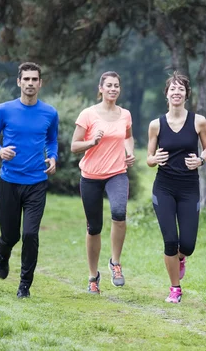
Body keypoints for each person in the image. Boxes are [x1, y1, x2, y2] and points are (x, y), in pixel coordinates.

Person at [0, 62, 59, 299]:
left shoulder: (50, 113)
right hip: (10, 182)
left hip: (36, 182)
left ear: (40, 83)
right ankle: (3, 254)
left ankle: (24, 285)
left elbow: (52, 140)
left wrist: (53, 157)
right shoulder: (4, 110)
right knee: (10, 236)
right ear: (19, 82)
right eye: (26, 79)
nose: (30, 83)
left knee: (30, 235)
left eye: (34, 79)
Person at [147, 71, 206, 303]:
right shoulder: (156, 125)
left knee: (187, 245)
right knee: (170, 240)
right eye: (172, 88)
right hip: (163, 187)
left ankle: (180, 258)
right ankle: (175, 288)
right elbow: (148, 157)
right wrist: (154, 159)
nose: (176, 92)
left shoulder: (198, 121)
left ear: (186, 94)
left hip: (189, 188)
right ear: (167, 94)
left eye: (181, 89)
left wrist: (201, 161)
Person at [71, 71, 135, 294]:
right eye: (108, 85)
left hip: (117, 172)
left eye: (116, 85)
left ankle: (115, 263)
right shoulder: (88, 114)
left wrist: (130, 152)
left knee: (119, 213)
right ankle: (92, 276)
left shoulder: (125, 114)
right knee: (94, 227)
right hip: (90, 176)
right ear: (100, 89)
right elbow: (74, 145)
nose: (113, 89)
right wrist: (92, 141)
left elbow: (127, 135)